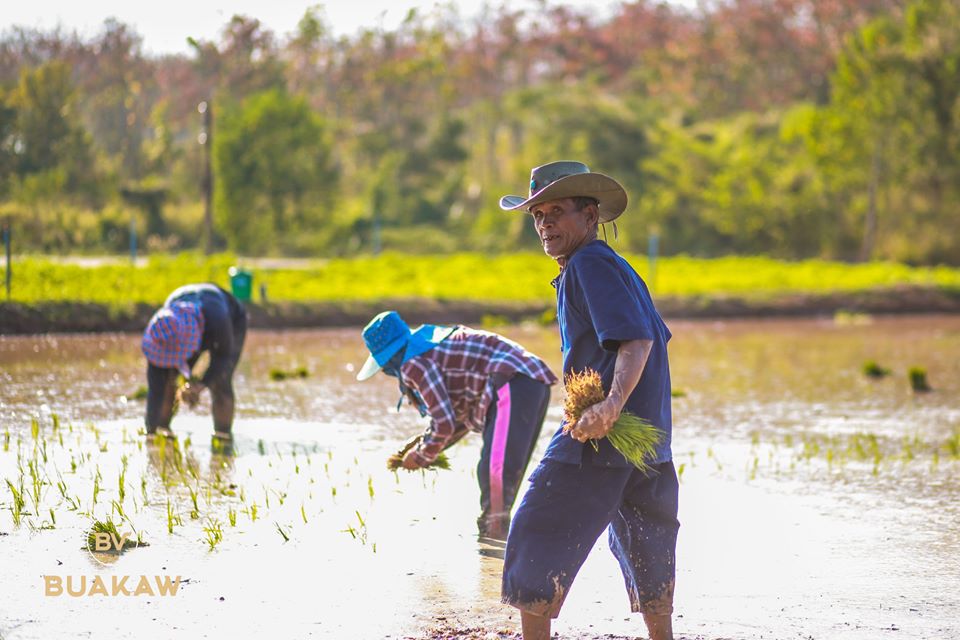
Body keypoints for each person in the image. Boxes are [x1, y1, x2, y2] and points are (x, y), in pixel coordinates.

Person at [498, 161, 679, 640]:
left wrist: (611, 406)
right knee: (647, 543)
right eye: (538, 215)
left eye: (556, 212)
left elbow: (636, 341)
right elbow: (651, 338)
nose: (545, 224)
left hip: (600, 437)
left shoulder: (589, 265)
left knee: (536, 526)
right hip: (647, 444)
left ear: (591, 216)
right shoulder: (614, 268)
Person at [356, 310, 558, 539]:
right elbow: (456, 420)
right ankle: (500, 540)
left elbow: (444, 423)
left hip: (511, 383)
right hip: (528, 383)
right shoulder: (428, 346)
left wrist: (421, 456)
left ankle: (494, 545)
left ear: (387, 361)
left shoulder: (413, 363)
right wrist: (427, 445)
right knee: (505, 472)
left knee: (496, 473)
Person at [141, 283, 248, 443]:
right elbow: (155, 388)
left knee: (221, 382)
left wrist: (201, 384)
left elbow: (223, 358)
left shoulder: (217, 320)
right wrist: (150, 432)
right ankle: (161, 429)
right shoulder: (164, 329)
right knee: (168, 378)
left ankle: (223, 437)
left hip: (229, 322)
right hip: (186, 322)